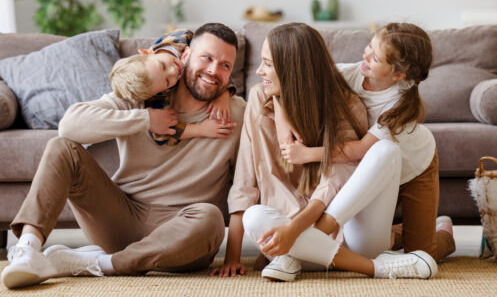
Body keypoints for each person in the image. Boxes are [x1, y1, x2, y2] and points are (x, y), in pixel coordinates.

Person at [1, 23, 246, 289]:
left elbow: (246, 183)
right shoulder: (146, 91)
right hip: (123, 216)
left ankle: (101, 264)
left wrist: (234, 255)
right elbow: (70, 125)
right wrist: (145, 120)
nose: (213, 70)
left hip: (183, 233)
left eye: (225, 65)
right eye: (207, 58)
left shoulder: (236, 113)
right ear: (185, 57)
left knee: (210, 217)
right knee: (61, 148)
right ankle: (27, 250)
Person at [211, 22, 437, 282]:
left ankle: (380, 258)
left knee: (386, 151)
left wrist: (298, 228)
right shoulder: (263, 99)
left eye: (268, 64)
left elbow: (347, 166)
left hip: (344, 224)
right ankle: (351, 260)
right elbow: (244, 183)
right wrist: (232, 258)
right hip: (287, 237)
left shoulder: (357, 104)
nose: (259, 71)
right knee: (254, 217)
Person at [283, 23, 455, 263]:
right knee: (371, 239)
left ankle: (443, 232)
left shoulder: (398, 106)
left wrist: (307, 154)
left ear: (398, 75)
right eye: (369, 46)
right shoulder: (348, 74)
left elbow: (360, 149)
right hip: (376, 170)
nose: (365, 56)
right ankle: (395, 235)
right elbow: (293, 88)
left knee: (423, 254)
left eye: (375, 58)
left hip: (415, 167)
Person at [110, 28, 235, 145]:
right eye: (167, 81)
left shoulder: (181, 37)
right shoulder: (158, 96)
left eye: (163, 65)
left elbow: (218, 68)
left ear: (147, 52)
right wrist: (201, 129)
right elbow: (163, 134)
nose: (174, 70)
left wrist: (223, 94)